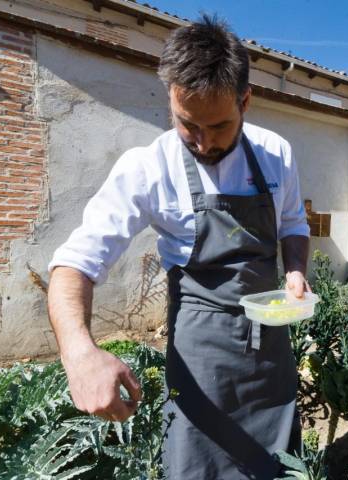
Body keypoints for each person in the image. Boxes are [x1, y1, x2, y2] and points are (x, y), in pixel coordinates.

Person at [47, 15, 310, 479]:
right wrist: (79, 353)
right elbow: (75, 263)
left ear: (245, 101)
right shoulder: (147, 168)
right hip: (200, 353)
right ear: (170, 99)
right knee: (196, 466)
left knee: (275, 467)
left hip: (272, 350)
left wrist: (294, 269)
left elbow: (293, 224)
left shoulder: (276, 153)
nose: (203, 142)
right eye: (188, 125)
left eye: (219, 126)